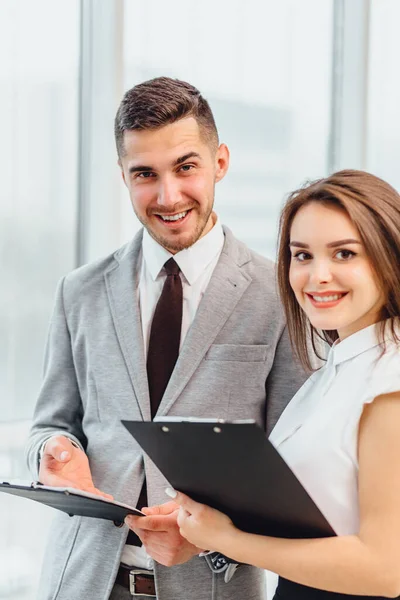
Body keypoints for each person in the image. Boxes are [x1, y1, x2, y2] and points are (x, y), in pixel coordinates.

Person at [26, 77, 305, 600]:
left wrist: (210, 540)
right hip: (81, 581)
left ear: (219, 161)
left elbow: (296, 471)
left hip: (213, 585)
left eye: (186, 167)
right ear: (123, 175)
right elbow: (50, 423)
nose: (168, 195)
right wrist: (53, 450)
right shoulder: (79, 291)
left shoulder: (281, 297)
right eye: (145, 174)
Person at [170, 169, 400, 600]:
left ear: (389, 257)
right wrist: (203, 523)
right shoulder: (333, 372)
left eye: (345, 254)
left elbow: (387, 569)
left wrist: (227, 539)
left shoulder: (389, 383)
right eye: (302, 255)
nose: (318, 276)